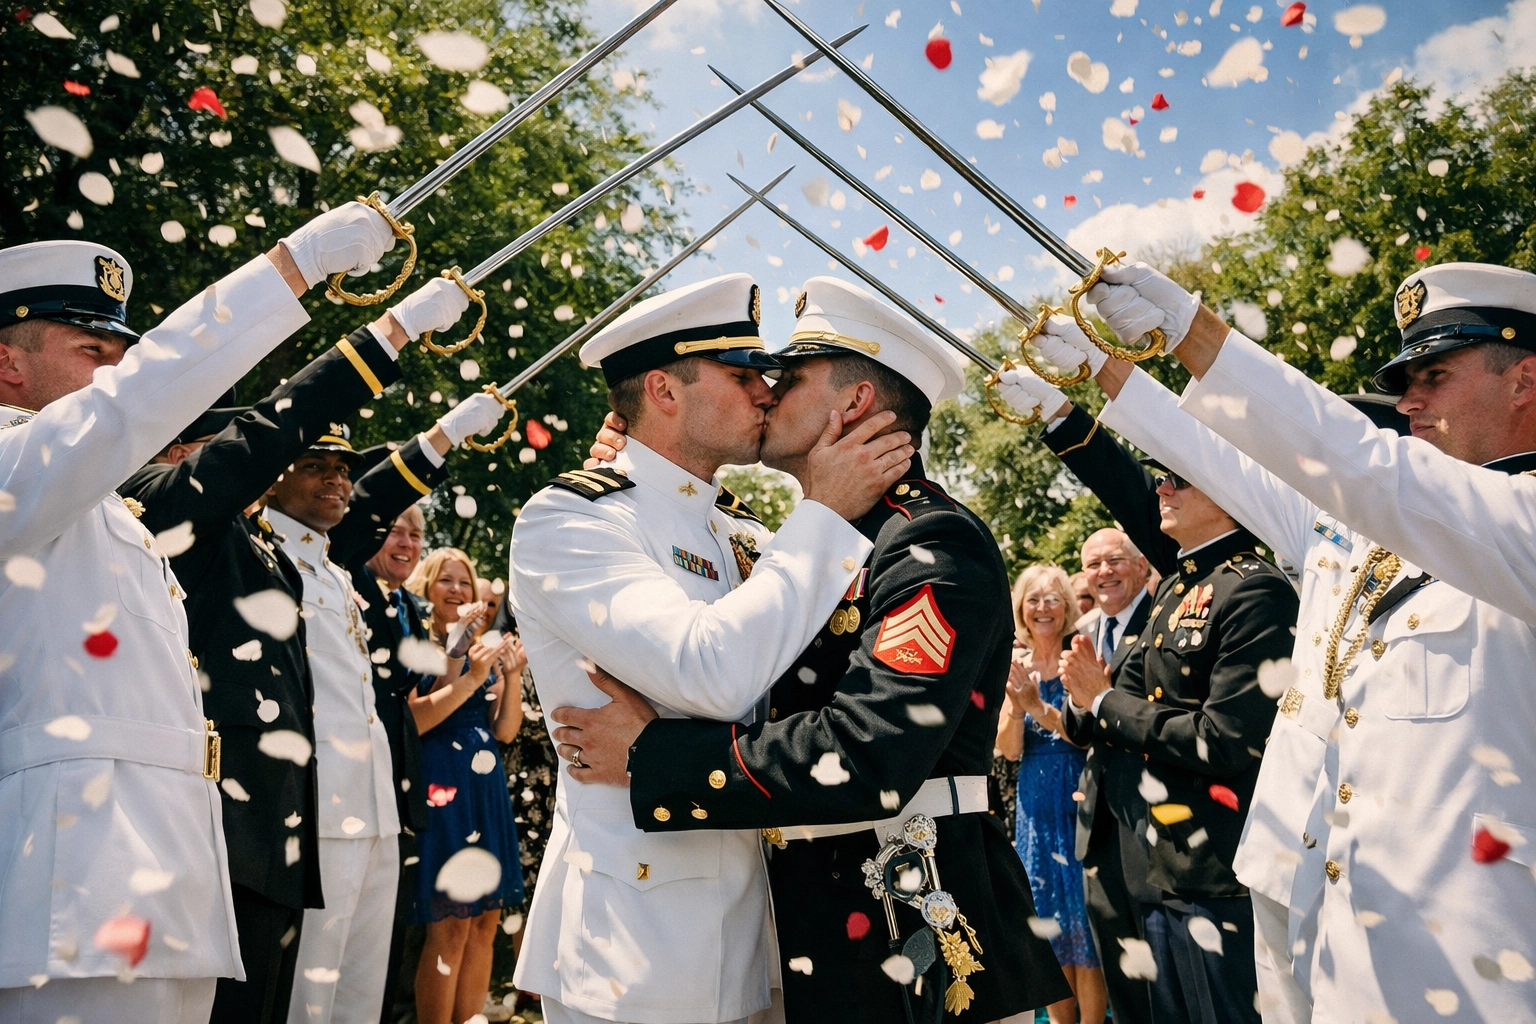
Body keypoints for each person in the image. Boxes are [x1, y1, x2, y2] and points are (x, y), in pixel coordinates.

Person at [556, 276, 1072, 1023]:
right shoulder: (824, 539)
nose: (766, 391)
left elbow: (869, 753)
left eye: (790, 377)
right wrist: (646, 480)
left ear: (853, 404)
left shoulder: (929, 541)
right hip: (836, 929)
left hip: (918, 927)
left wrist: (653, 758)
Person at [1058, 259, 1536, 1020]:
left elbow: (1367, 466)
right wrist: (1098, 373)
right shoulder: (1359, 527)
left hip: (1472, 947)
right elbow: (1218, 462)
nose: (1408, 401)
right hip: (1319, 897)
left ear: (1524, 381)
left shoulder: (1519, 519)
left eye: (1435, 376)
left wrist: (1192, 333)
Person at [0, 209, 395, 1022]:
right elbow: (135, 403)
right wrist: (291, 268)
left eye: (123, 354)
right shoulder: (19, 469)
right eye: (92, 351)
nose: (119, 371)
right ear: (8, 362)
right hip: (72, 891)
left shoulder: (100, 505)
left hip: (172, 882)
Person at [506, 272, 915, 1024]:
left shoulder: (742, 531)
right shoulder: (573, 519)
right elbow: (712, 674)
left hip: (762, 931)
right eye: (740, 373)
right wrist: (823, 511)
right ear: (663, 389)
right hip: (637, 945)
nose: (766, 390)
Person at [1000, 319, 1415, 1023]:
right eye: (1163, 477)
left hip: (1211, 863)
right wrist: (1061, 416)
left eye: (1179, 479)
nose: (1162, 489)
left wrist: (1103, 703)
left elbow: (1225, 738)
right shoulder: (1181, 581)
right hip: (1144, 854)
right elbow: (1129, 490)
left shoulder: (1254, 585)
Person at [117, 275, 469, 1024]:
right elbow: (298, 473)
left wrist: (445, 436)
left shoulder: (273, 549)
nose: (255, 470)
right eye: (224, 453)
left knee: (346, 998)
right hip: (256, 813)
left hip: (322, 805)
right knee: (291, 1002)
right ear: (181, 451)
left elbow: (359, 503)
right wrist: (388, 337)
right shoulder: (175, 513)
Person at [273, 397, 509, 1024]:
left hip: (383, 802)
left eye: (343, 471)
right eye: (316, 465)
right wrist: (444, 434)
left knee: (362, 991)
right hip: (326, 802)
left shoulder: (340, 576)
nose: (337, 481)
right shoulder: (291, 558)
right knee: (311, 992)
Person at [403, 548, 526, 1024]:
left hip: (485, 784)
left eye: (464, 582)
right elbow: (430, 711)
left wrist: (511, 675)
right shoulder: (419, 638)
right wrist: (460, 650)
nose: (457, 590)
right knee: (451, 923)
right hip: (445, 782)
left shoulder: (482, 645)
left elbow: (506, 731)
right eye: (446, 580)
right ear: (427, 585)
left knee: (484, 922)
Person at [995, 565, 1105, 1024]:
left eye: (1052, 599)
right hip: (1035, 806)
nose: (1043, 608)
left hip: (1078, 796)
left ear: (1067, 607)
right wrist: (1017, 709)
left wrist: (1037, 706)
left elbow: (1084, 738)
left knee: (1085, 925)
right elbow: (1009, 749)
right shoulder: (1014, 665)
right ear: (1021, 609)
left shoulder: (1077, 658)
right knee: (1050, 923)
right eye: (1033, 600)